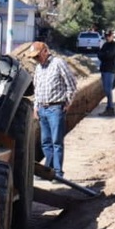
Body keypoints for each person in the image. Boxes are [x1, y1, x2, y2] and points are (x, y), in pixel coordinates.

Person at [27, 41, 77, 179]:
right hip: (42, 108)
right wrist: (36, 106)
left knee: (56, 142)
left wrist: (68, 102)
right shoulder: (39, 68)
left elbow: (72, 84)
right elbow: (37, 88)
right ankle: (48, 171)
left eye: (37, 56)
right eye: (34, 57)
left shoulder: (58, 63)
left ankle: (58, 173)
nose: (36, 59)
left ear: (45, 51)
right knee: (46, 142)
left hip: (56, 108)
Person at [97, 31, 115, 116]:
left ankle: (110, 108)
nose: (107, 37)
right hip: (104, 68)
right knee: (105, 89)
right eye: (106, 36)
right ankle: (109, 107)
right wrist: (103, 54)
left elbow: (108, 56)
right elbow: (99, 54)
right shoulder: (105, 45)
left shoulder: (114, 45)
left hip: (110, 69)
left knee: (108, 89)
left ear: (112, 36)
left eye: (109, 36)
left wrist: (102, 55)